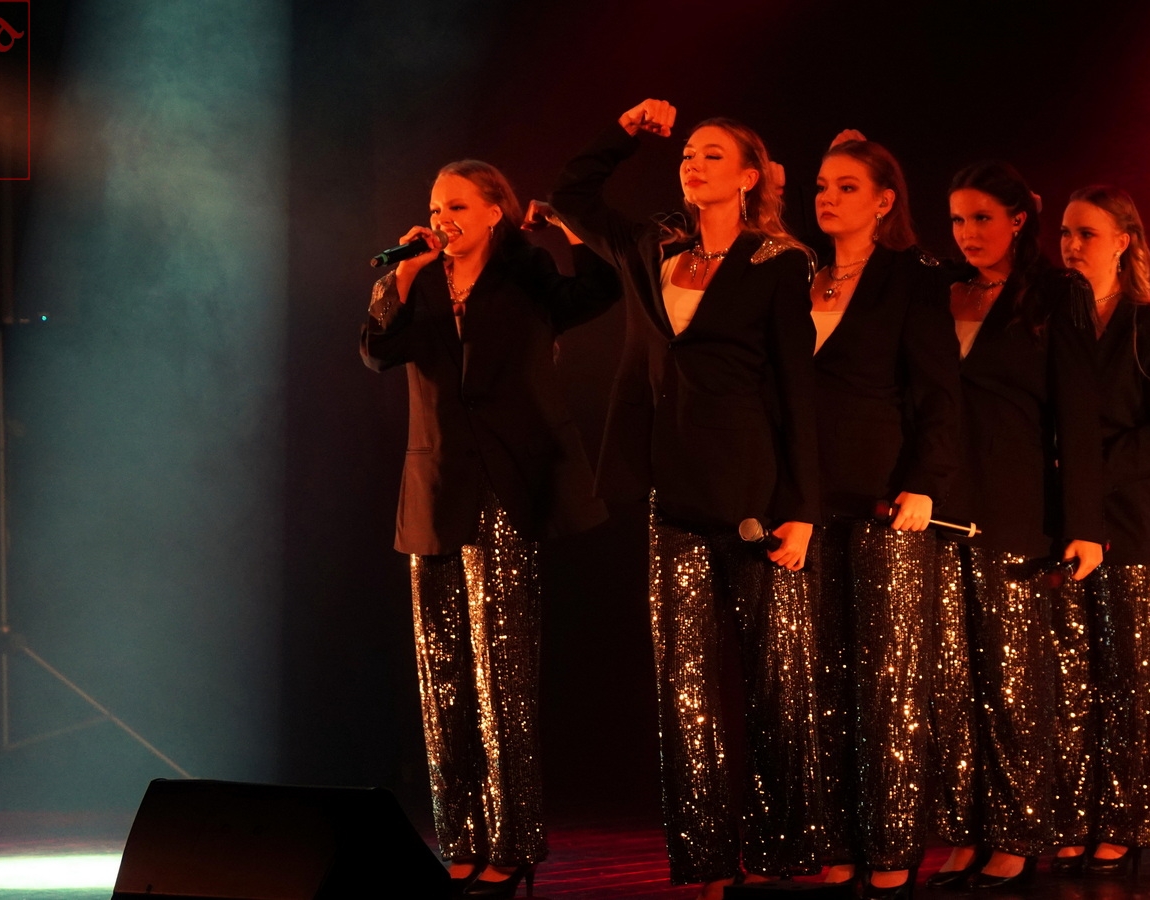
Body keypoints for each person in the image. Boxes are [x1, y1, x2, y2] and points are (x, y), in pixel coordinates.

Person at [551, 99, 821, 899]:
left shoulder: (777, 263)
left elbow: (797, 390)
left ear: (750, 177)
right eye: (688, 155)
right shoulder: (654, 245)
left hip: (754, 496)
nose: (693, 165)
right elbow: (572, 197)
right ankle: (705, 862)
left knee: (774, 685)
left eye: (712, 156)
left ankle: (776, 853)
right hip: (670, 490)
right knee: (684, 689)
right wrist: (624, 133)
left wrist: (803, 508)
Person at [360, 159, 619, 898]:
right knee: (442, 681)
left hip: (507, 489)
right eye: (436, 207)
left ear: (494, 212)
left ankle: (515, 844)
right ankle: (462, 841)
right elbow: (376, 351)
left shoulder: (525, 273)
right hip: (434, 490)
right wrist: (401, 276)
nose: (443, 220)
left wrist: (570, 229)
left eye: (459, 207)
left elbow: (598, 290)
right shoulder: (417, 283)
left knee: (502, 678)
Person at [924, 161, 1106, 892]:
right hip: (941, 504)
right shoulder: (940, 289)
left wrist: (1084, 522)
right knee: (949, 682)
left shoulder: (1057, 293)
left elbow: (1080, 415)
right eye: (957, 219)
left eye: (982, 218)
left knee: (1011, 678)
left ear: (1018, 220)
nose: (967, 233)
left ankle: (1020, 831)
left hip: (1016, 507)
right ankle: (965, 832)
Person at [806, 132, 960, 898]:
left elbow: (938, 390)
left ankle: (894, 846)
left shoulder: (910, 276)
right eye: (821, 186)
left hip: (886, 500)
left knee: (889, 682)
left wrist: (924, 483)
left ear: (884, 201)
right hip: (806, 502)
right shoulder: (797, 275)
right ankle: (837, 841)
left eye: (846, 186)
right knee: (822, 679)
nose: (828, 197)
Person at [1050, 185, 1150, 877]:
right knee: (1066, 678)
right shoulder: (1051, 319)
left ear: (1123, 241)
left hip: (1125, 519)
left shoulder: (1148, 324)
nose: (1072, 245)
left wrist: (1090, 473)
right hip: (1056, 519)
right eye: (1065, 232)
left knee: (1128, 679)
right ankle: (1070, 817)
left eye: (1087, 233)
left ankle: (1126, 820)